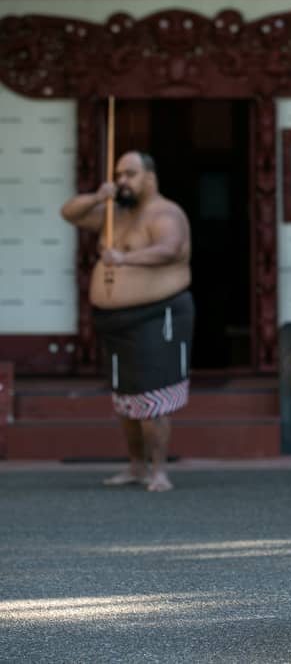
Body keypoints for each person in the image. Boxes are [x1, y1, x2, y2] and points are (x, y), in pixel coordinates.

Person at [60, 151, 193, 492]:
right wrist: (97, 195)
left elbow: (171, 249)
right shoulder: (113, 213)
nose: (122, 181)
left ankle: (159, 470)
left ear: (150, 177)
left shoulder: (165, 212)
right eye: (119, 174)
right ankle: (136, 466)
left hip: (157, 314)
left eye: (130, 174)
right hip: (115, 320)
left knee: (153, 397)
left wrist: (124, 258)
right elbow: (69, 213)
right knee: (126, 398)